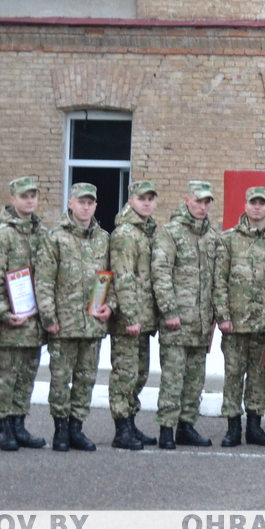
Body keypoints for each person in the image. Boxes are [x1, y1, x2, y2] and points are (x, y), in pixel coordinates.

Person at [37, 182, 113, 452]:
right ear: (70, 203)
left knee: (86, 378)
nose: (86, 206)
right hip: (63, 323)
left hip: (92, 323)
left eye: (90, 202)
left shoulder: (104, 238)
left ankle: (77, 428)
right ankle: (59, 430)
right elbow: (44, 281)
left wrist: (110, 306)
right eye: (81, 201)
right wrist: (49, 317)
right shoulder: (54, 238)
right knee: (60, 379)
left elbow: (112, 279)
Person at [152, 181, 219, 450]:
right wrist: (169, 310)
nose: (202, 207)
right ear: (187, 200)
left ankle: (186, 426)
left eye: (206, 202)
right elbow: (160, 273)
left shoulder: (211, 236)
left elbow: (216, 279)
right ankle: (166, 429)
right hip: (177, 321)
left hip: (201, 323)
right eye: (198, 201)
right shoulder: (170, 233)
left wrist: (214, 315)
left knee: (194, 380)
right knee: (173, 378)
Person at [0, 176, 48, 451]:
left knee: (26, 376)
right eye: (24, 196)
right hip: (11, 320)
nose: (29, 200)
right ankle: (3, 428)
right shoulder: (2, 234)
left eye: (33, 195)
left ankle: (19, 424)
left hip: (33, 320)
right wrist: (2, 312)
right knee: (5, 377)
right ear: (13, 200)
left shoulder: (42, 233)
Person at [214, 185, 265, 447]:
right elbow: (219, 280)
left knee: (259, 376)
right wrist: (223, 316)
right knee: (233, 375)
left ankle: (254, 426)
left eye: (262, 203)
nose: (257, 207)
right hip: (236, 323)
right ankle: (232, 427)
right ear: (245, 205)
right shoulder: (228, 239)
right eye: (253, 202)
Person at [107, 179, 159, 450]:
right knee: (125, 374)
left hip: (144, 318)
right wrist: (129, 317)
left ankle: (131, 423)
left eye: (151, 198)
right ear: (131, 201)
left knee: (139, 374)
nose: (147, 203)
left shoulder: (147, 231)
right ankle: (121, 429)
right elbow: (123, 277)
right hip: (130, 319)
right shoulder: (126, 233)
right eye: (142, 198)